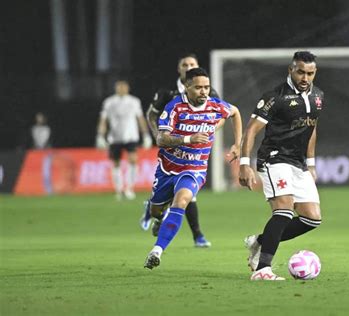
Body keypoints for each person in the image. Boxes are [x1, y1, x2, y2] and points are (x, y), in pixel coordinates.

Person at [143, 67, 242, 269]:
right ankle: (158, 217)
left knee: (182, 201)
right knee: (156, 210)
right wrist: (189, 138)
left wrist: (237, 144)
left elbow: (235, 112)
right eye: (198, 88)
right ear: (187, 87)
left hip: (194, 168)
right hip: (168, 168)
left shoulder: (215, 106)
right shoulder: (174, 107)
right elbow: (161, 139)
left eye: (206, 87)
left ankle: (157, 251)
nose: (204, 91)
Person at [239, 51, 323, 281]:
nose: (305, 77)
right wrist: (244, 164)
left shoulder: (318, 96)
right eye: (300, 72)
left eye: (310, 73)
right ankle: (262, 269)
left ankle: (260, 242)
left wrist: (311, 163)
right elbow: (251, 130)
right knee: (284, 210)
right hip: (274, 159)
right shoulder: (275, 97)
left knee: (312, 218)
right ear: (291, 70)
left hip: (298, 163)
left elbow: (311, 129)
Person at [141, 53, 221, 248]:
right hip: (170, 147)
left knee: (187, 194)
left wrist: (206, 130)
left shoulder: (208, 92)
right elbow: (151, 114)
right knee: (168, 198)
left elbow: (220, 116)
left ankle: (198, 235)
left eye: (192, 63)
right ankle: (155, 211)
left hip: (194, 150)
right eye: (184, 64)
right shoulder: (167, 93)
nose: (188, 66)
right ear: (179, 69)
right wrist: (158, 135)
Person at [96, 80, 152, 200]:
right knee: (116, 163)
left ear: (128, 88)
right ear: (116, 88)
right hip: (115, 137)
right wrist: (100, 135)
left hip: (131, 136)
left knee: (133, 160)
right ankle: (119, 189)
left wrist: (146, 134)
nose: (121, 89)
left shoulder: (134, 101)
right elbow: (103, 120)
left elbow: (140, 118)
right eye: (119, 87)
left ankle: (129, 188)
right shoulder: (109, 102)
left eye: (123, 87)